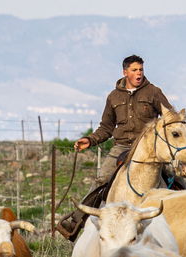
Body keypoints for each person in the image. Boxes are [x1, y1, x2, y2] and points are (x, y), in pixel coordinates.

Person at [57, 54, 177, 239]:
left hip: (147, 147)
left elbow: (170, 118)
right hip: (121, 147)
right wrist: (90, 140)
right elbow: (106, 127)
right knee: (102, 179)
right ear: (125, 72)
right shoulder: (114, 97)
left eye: (141, 70)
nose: (138, 73)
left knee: (173, 177)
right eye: (134, 70)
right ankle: (75, 222)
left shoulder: (153, 92)